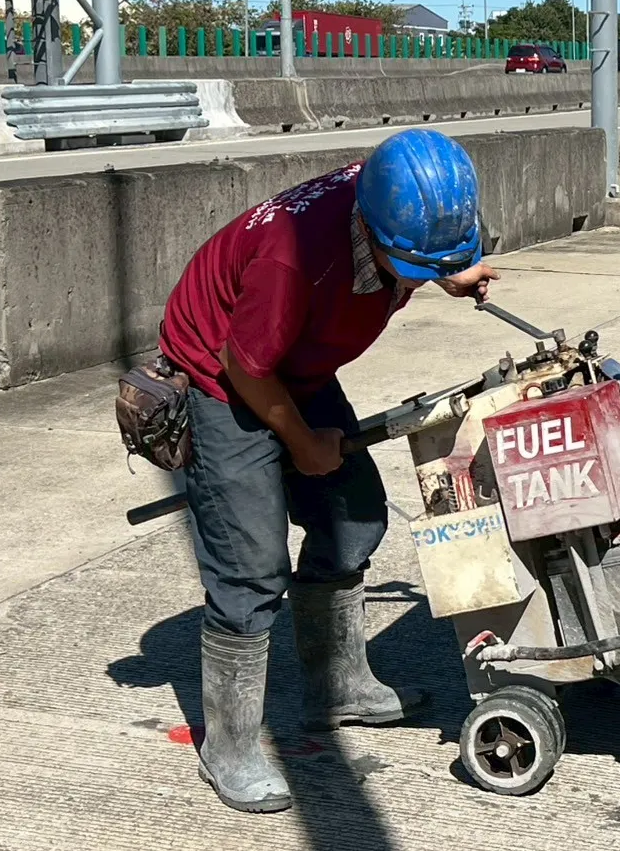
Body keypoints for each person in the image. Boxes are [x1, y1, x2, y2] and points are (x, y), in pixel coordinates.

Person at [158, 128, 499, 813]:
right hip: (225, 373)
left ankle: (336, 686)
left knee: (354, 520)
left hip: (299, 360)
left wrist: (448, 270)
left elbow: (420, 249)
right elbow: (245, 365)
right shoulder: (294, 259)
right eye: (413, 264)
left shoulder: (402, 198)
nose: (418, 274)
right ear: (370, 231)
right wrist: (299, 439)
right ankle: (228, 743)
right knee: (249, 562)